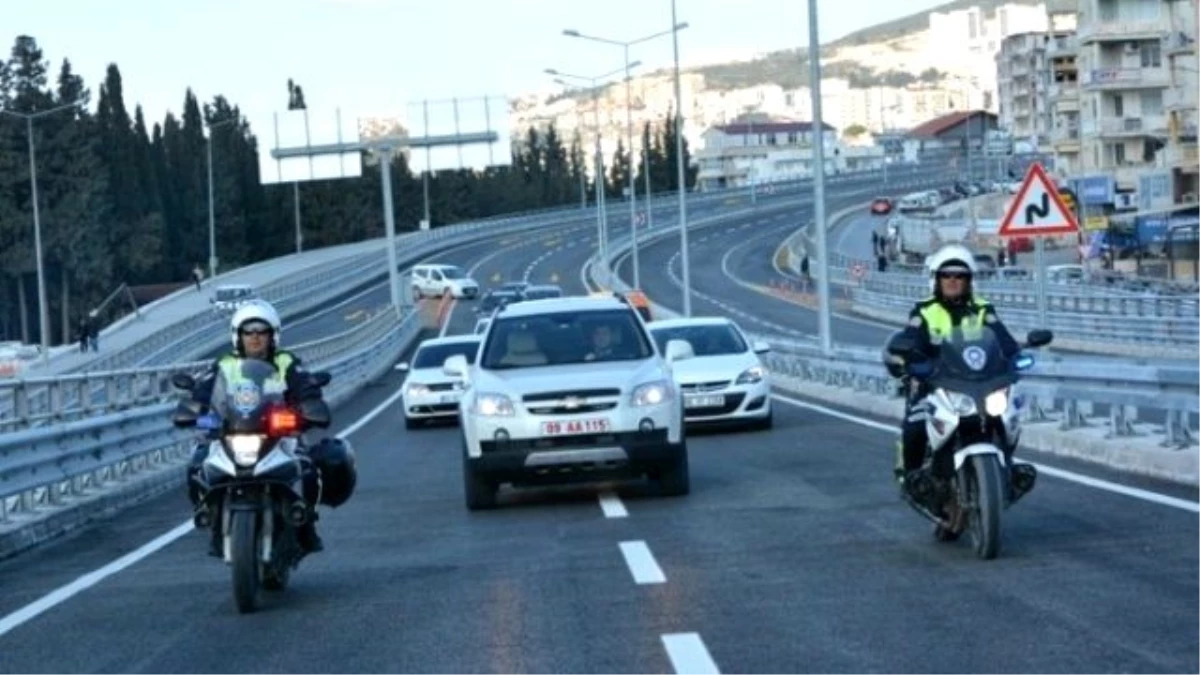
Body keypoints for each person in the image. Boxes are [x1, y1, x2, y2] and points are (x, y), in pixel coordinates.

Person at [885, 244, 1035, 498]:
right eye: (947, 275)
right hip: (935, 385)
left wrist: (1017, 356)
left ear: (969, 281)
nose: (953, 281)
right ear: (937, 279)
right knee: (914, 426)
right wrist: (907, 359)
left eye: (960, 276)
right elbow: (910, 340)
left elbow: (1004, 340)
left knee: (1007, 416)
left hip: (979, 384)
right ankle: (913, 481)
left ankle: (1007, 469)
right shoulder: (924, 312)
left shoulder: (983, 310)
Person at [185, 300, 327, 557]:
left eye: (262, 332)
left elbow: (305, 384)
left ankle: (307, 524)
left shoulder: (286, 362)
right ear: (237, 336)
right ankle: (212, 521)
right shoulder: (224, 364)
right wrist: (194, 408)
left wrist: (311, 404)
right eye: (248, 332)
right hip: (234, 430)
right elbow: (204, 389)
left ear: (273, 335)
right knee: (196, 464)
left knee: (308, 468)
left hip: (279, 434)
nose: (255, 338)